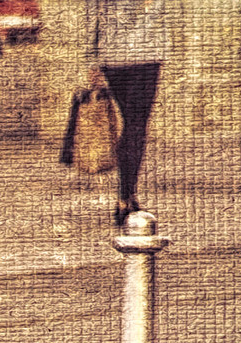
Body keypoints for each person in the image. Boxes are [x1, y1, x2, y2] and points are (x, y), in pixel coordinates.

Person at [85, 0, 174, 228]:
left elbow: (92, 17)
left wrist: (92, 61)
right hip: (146, 54)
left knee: (131, 123)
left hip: (113, 55)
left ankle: (126, 196)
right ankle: (126, 195)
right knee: (135, 125)